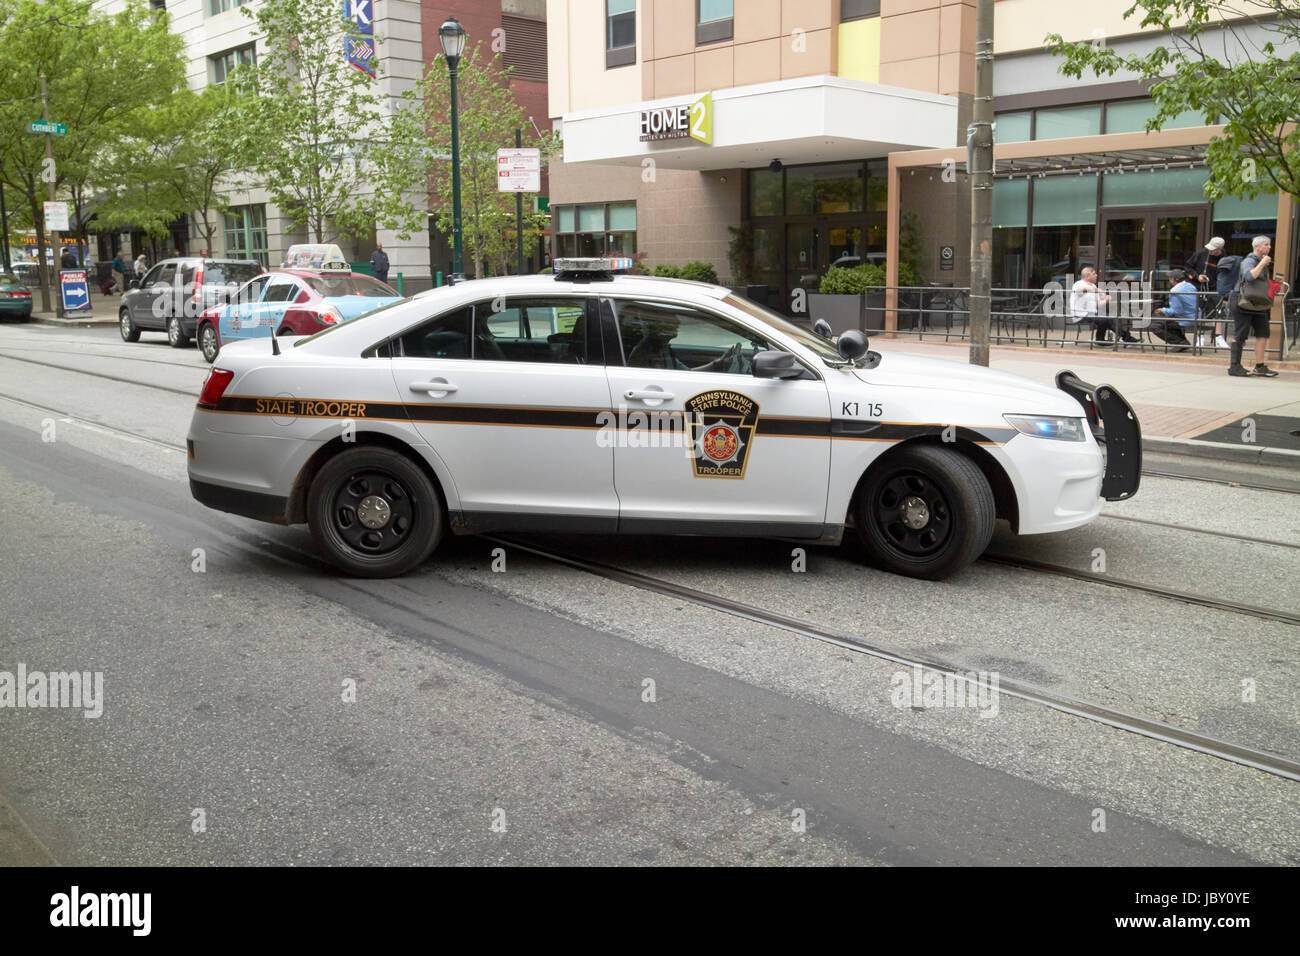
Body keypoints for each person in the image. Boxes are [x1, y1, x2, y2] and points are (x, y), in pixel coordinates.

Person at [1227, 235, 1278, 377]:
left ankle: (1260, 366)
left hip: (1258, 303)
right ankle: (1234, 367)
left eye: (1269, 244)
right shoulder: (1249, 260)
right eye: (1266, 245)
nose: (1269, 247)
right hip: (1242, 301)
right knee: (1241, 333)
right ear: (1257, 246)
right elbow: (1249, 276)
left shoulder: (1263, 261)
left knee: (1263, 332)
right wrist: (1263, 263)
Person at [1070, 266, 1137, 343]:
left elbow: (1097, 304)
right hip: (1080, 315)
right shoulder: (1078, 284)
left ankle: (1103, 340)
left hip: (1092, 313)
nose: (1096, 275)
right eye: (1094, 274)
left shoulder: (1093, 286)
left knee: (1111, 317)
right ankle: (1125, 338)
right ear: (1087, 276)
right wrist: (1099, 291)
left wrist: (1106, 299)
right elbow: (1084, 288)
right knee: (1107, 319)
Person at [1185, 237, 1228, 348]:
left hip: (1215, 287)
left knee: (1218, 312)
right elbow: (1187, 268)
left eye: (1213, 249)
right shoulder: (1200, 253)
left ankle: (1218, 337)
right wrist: (1196, 276)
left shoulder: (1224, 257)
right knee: (1200, 311)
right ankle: (1200, 336)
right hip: (1199, 286)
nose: (1210, 251)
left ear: (1219, 249)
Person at [1152, 269, 1196, 350]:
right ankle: (1182, 341)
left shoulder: (1175, 291)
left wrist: (1162, 310)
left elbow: (1176, 311)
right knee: (1167, 321)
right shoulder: (1191, 286)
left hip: (1185, 318)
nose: (1169, 280)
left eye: (1170, 278)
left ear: (1173, 279)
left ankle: (1180, 343)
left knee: (1155, 326)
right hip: (1195, 315)